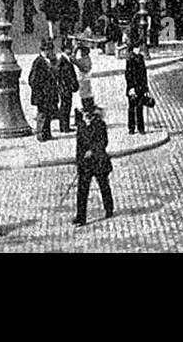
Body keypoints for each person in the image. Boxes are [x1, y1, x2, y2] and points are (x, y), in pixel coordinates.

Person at [73, 98, 114, 226]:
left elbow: (104, 142)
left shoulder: (100, 124)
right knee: (82, 190)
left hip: (98, 161)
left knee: (103, 186)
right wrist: (78, 161)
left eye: (88, 113)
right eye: (84, 113)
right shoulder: (80, 126)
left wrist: (92, 151)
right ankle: (81, 217)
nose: (86, 116)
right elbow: (79, 145)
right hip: (85, 164)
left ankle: (109, 208)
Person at [28, 38, 59, 142]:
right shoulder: (38, 62)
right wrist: (40, 90)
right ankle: (41, 134)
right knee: (42, 114)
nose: (52, 53)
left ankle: (47, 133)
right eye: (50, 50)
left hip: (49, 94)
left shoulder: (49, 61)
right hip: (42, 94)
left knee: (48, 114)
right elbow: (32, 79)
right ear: (45, 51)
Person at [126, 41, 149, 135]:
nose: (140, 49)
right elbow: (128, 75)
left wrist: (146, 88)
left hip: (141, 88)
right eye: (139, 47)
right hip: (133, 88)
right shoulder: (130, 60)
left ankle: (140, 128)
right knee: (132, 108)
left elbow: (144, 74)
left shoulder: (141, 58)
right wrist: (131, 88)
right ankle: (131, 128)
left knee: (140, 107)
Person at [55, 41, 79, 133]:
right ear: (65, 50)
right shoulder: (62, 61)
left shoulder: (66, 59)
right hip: (65, 89)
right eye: (70, 48)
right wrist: (65, 86)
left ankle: (65, 126)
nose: (71, 49)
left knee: (66, 107)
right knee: (65, 107)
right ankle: (64, 127)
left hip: (66, 88)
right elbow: (59, 75)